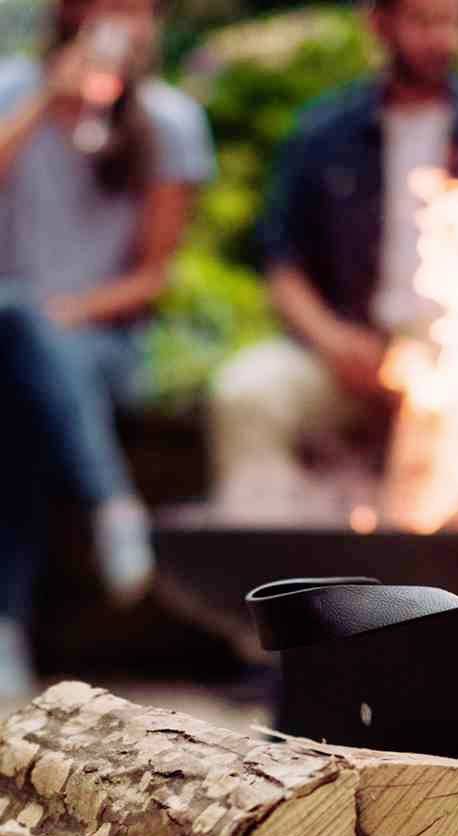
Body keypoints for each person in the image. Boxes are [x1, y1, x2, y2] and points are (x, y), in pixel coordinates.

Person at [208, 0, 458, 511]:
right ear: (379, 24)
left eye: (456, 22)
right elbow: (282, 264)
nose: (444, 40)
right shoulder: (322, 133)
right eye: (425, 22)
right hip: (347, 349)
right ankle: (265, 572)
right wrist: (332, 341)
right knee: (248, 394)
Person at [0, 0, 215, 693]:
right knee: (18, 328)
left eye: (140, 9)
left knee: (25, 383)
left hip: (105, 343)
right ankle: (114, 505)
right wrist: (42, 106)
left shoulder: (171, 121)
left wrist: (69, 313)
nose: (128, 21)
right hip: (10, 327)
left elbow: (152, 278)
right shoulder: (11, 92)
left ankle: (4, 628)